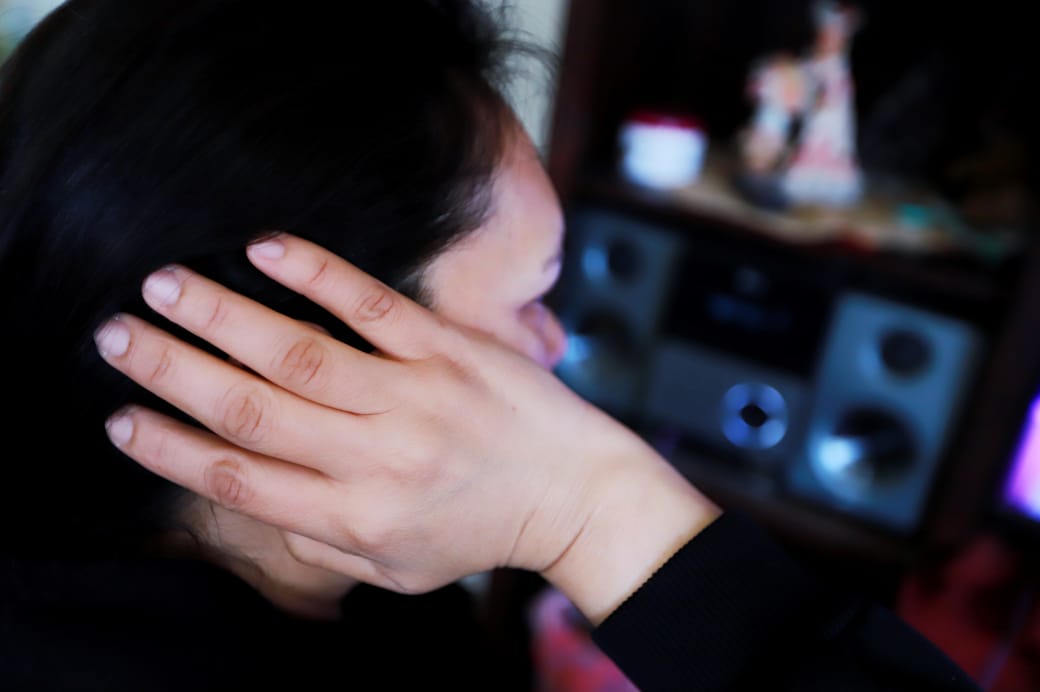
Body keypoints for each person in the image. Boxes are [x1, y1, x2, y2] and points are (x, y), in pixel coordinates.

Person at [96, 232, 986, 691]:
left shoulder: (418, 623)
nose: (556, 344)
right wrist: (586, 509)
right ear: (309, 350)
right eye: (532, 295)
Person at [0, 0, 570, 688]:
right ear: (276, 364)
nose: (558, 343)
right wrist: (598, 522)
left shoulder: (407, 609)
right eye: (530, 299)